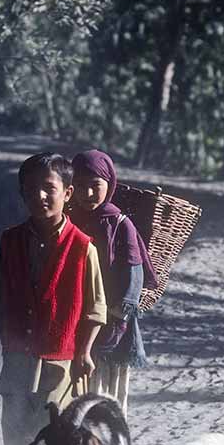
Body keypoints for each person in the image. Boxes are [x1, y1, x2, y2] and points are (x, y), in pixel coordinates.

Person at [0, 153, 107, 445]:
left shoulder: (83, 247)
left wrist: (84, 351)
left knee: (52, 430)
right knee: (15, 430)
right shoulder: (8, 242)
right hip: (17, 355)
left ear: (68, 193)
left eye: (48, 188)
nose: (39, 196)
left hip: (61, 358)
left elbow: (96, 308)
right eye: (30, 189)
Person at [68, 149, 157, 413]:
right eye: (79, 186)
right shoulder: (70, 221)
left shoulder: (120, 224)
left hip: (112, 324)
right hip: (77, 321)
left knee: (106, 397)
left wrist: (116, 321)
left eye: (94, 186)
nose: (87, 194)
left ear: (110, 184)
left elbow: (133, 280)